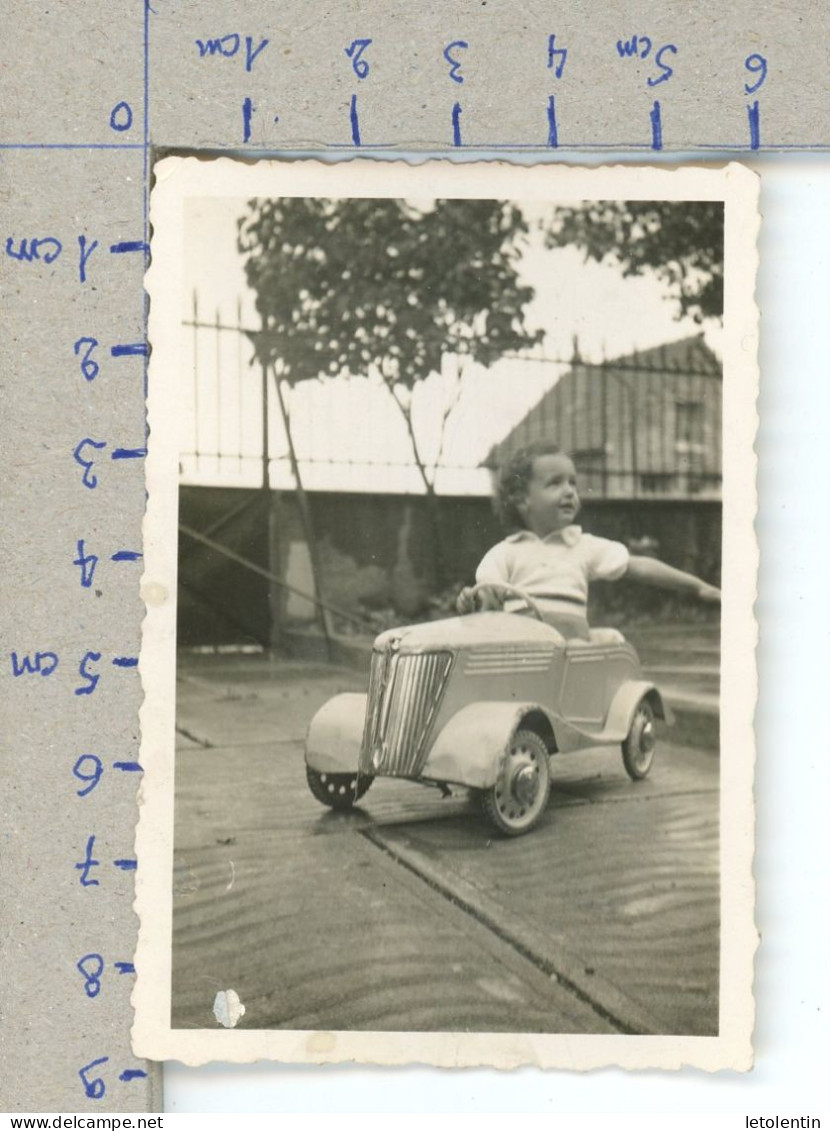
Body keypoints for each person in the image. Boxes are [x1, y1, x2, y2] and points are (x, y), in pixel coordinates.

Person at [457, 441, 720, 639]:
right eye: (555, 483)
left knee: (601, 646)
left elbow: (639, 566)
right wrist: (471, 602)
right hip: (524, 654)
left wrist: (697, 587)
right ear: (521, 499)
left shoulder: (581, 546)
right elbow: (487, 603)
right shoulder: (505, 554)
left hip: (574, 653)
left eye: (573, 483)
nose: (570, 491)